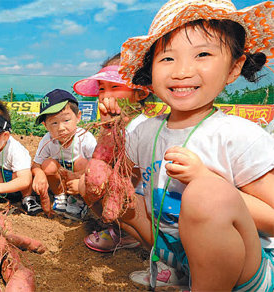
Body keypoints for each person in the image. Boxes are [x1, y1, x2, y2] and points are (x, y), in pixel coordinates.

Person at [101, 0, 274, 290]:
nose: (182, 71)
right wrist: (111, 131)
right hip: (175, 256)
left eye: (202, 54)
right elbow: (120, 179)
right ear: (150, 70)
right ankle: (180, 276)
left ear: (234, 68)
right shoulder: (145, 131)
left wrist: (205, 180)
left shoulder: (239, 135)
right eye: (167, 58)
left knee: (206, 194)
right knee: (103, 184)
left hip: (244, 270)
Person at [74, 54, 148, 252]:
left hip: (142, 197)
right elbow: (101, 159)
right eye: (102, 89)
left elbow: (132, 173)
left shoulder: (143, 127)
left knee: (110, 187)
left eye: (115, 87)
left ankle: (131, 234)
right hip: (125, 192)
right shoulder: (114, 122)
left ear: (140, 93)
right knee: (86, 181)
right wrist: (108, 127)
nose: (106, 96)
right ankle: (119, 230)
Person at [32, 89, 97, 220]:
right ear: (46, 125)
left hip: (81, 178)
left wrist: (80, 181)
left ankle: (78, 200)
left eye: (66, 120)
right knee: (47, 165)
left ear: (78, 117)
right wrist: (39, 174)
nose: (61, 128)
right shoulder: (47, 140)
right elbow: (36, 165)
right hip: (62, 180)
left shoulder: (85, 138)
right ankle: (60, 196)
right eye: (54, 123)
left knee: (82, 162)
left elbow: (97, 166)